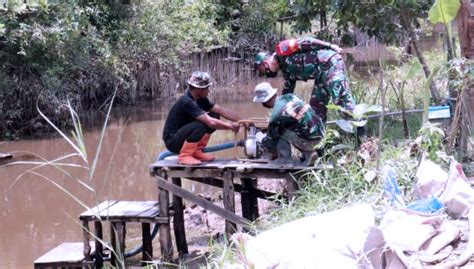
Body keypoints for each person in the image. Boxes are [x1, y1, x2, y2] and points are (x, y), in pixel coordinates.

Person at [255, 36, 355, 123]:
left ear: (265, 63)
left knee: (340, 97)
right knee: (316, 109)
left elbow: (306, 41)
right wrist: (278, 112)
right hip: (320, 75)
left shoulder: (282, 49)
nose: (265, 74)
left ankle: (360, 131)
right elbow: (286, 95)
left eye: (263, 70)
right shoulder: (286, 71)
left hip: (329, 63)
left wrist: (330, 46)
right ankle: (319, 140)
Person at [162, 71, 241, 165]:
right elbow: (210, 122)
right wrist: (231, 127)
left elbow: (220, 110)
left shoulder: (201, 100)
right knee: (202, 123)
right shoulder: (186, 101)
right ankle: (184, 156)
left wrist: (243, 121)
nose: (208, 90)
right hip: (172, 141)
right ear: (199, 89)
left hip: (183, 136)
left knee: (215, 115)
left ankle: (196, 151)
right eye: (207, 87)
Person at [252, 82, 325, 165]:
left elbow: (270, 144)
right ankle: (311, 153)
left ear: (264, 101)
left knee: (279, 130)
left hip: (311, 142)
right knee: (298, 127)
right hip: (321, 135)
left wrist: (260, 137)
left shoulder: (276, 115)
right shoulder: (291, 96)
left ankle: (285, 159)